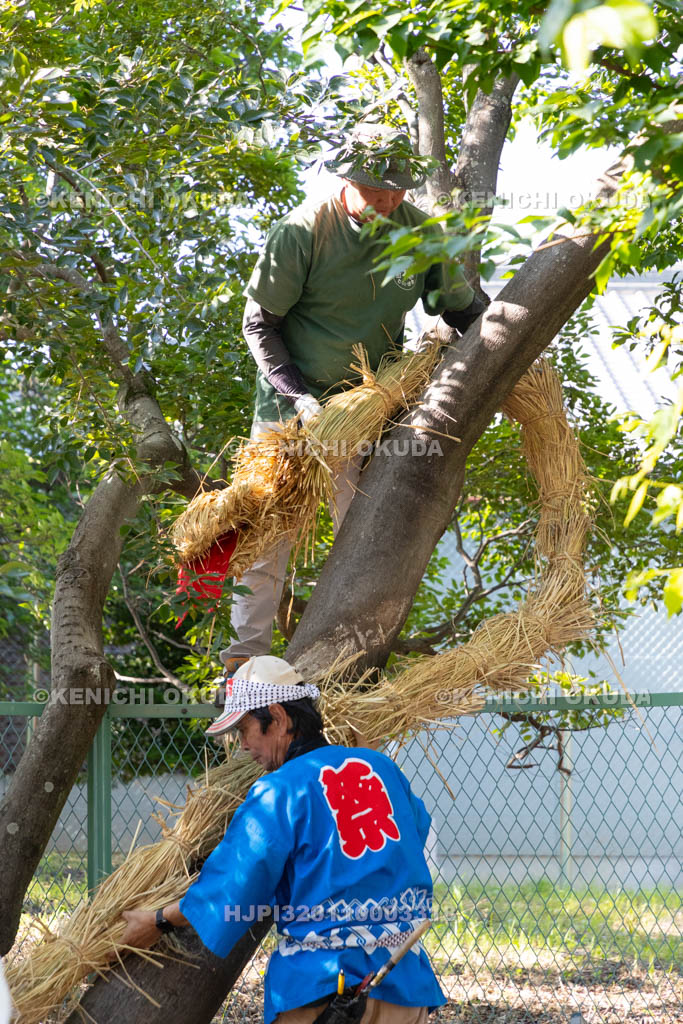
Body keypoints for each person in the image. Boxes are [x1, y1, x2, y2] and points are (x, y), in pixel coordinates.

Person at [221, 123, 487, 675]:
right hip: (289, 411)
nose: (389, 201)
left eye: (398, 191)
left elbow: (459, 309)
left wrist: (506, 336)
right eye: (376, 190)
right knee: (269, 540)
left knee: (361, 536)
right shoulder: (301, 232)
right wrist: (298, 396)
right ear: (346, 182)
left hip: (366, 409)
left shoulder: (418, 233)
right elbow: (258, 324)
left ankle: (349, 661)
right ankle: (244, 670)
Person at [119, 655, 446, 1024]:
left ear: (277, 717)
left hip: (323, 992)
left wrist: (158, 920)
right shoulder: (382, 769)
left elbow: (231, 886)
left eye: (244, 730)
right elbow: (412, 838)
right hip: (403, 985)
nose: (242, 745)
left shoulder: (279, 791)